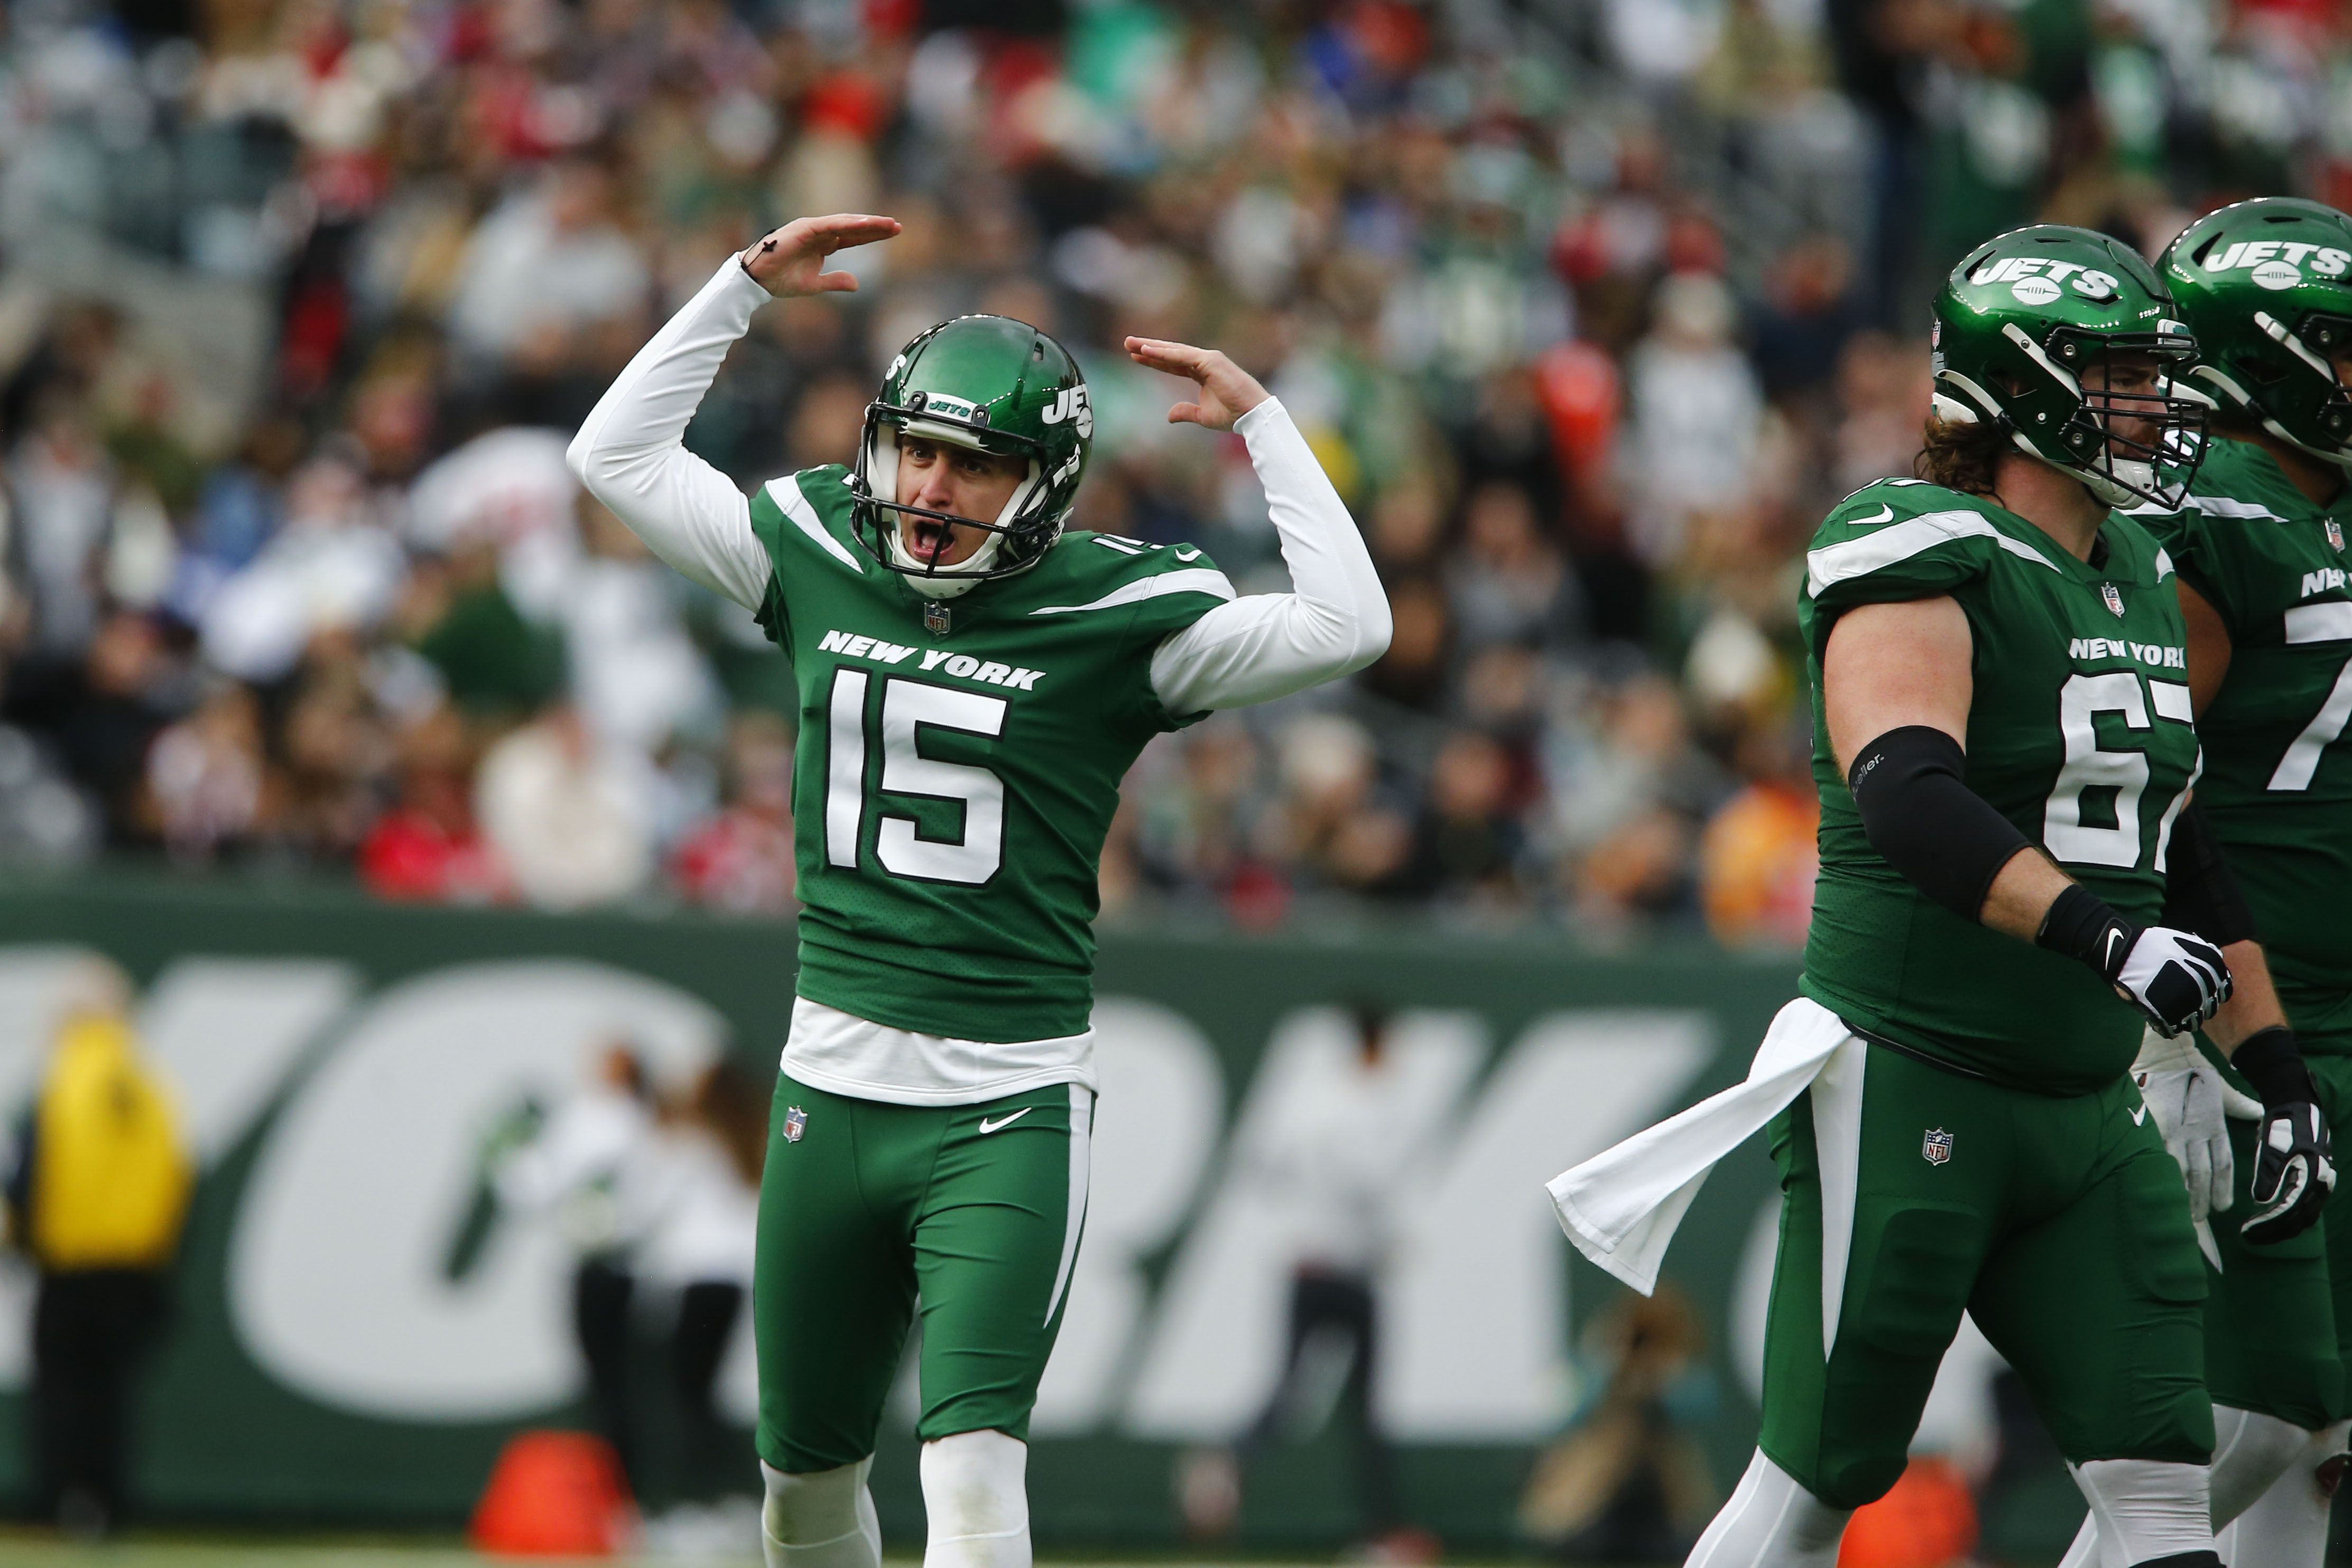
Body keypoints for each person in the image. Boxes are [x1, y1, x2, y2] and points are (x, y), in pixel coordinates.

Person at [567, 211, 1390, 1568]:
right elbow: (612, 455)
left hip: (1000, 1105)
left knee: (968, 1483)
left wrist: (1261, 424)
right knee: (805, 1492)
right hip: (827, 1089)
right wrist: (735, 290)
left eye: (975, 464)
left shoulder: (1116, 618)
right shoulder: (819, 550)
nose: (933, 487)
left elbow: (1346, 623)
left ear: (1043, 485)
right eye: (921, 450)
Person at [1549, 225, 2326, 1568]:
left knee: (2157, 1484)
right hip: (1917, 1073)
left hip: (2081, 1105)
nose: (2157, 407)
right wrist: (2102, 933)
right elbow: (1903, 784)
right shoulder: (1911, 536)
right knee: (1810, 1487)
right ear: (2022, 385)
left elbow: (2177, 832)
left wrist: (2263, 1054)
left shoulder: (2138, 564)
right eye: (2123, 377)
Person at [2061, 196, 2352, 1568]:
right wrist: (2171, 1030)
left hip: (2327, 1012)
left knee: (2323, 1424)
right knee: (2270, 1399)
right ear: (2278, 358)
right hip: (2260, 1012)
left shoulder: (2316, 513)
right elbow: (2150, 792)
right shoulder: (2214, 528)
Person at [4, 959, 191, 1536]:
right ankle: (108, 1506)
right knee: (112, 1396)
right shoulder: (150, 1083)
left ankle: (60, 1501)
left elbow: (32, 1172)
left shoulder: (62, 1081)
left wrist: (22, 1239)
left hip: (69, 1264)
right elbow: (180, 1174)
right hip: (134, 1267)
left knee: (62, 1391)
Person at [490, 1041, 666, 1497]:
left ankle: (617, 1499)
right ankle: (623, 1497)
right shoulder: (646, 1121)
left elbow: (538, 1190)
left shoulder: (598, 1118)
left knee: (606, 1385)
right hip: (628, 1269)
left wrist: (507, 1154)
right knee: (616, 1384)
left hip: (600, 1268)